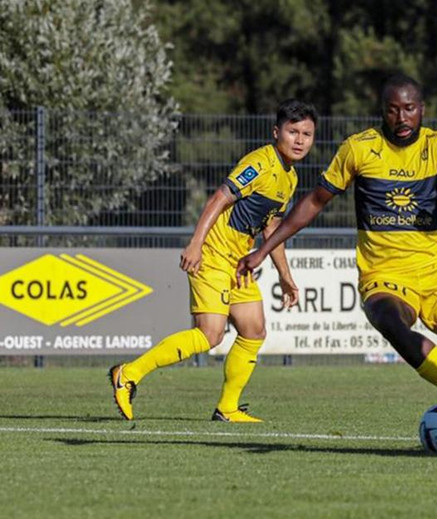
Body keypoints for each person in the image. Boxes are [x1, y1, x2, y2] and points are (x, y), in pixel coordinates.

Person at [235, 74, 437, 441]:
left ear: (422, 110)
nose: (401, 118)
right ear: (383, 113)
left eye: (409, 109)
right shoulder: (360, 148)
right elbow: (314, 202)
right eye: (392, 110)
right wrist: (263, 250)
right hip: (383, 276)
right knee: (391, 322)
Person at [109, 99, 318, 422]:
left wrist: (284, 275)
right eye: (293, 132)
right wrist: (196, 244)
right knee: (210, 334)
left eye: (307, 133)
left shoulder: (289, 179)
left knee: (253, 330)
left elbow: (271, 227)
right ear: (277, 132)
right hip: (213, 254)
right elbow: (220, 197)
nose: (300, 140)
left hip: (238, 262)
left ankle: (228, 408)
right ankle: (128, 373)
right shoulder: (260, 163)